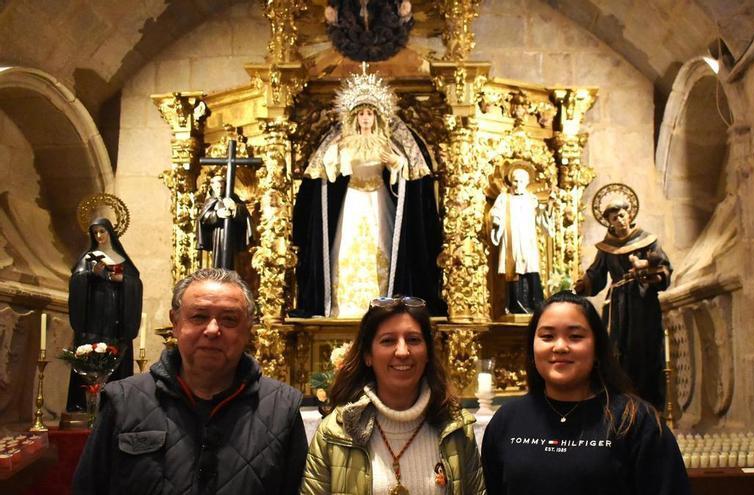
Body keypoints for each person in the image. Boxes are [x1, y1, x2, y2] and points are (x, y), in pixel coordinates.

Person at [73, 268, 308, 495]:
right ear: (175, 323)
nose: (213, 330)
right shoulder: (124, 401)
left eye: (229, 319)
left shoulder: (282, 408)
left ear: (248, 328)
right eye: (199, 317)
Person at [480, 291, 690, 495]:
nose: (560, 347)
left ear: (597, 348)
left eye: (575, 336)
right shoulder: (506, 421)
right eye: (547, 336)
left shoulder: (636, 421)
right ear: (532, 348)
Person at [292, 70, 444, 318]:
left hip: (378, 199)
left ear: (376, 117)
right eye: (361, 114)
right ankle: (346, 305)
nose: (365, 118)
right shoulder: (343, 142)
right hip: (353, 200)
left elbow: (405, 170)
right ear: (354, 117)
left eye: (369, 114)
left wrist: (397, 164)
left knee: (380, 245)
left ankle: (380, 301)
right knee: (347, 247)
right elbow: (328, 171)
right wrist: (334, 158)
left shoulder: (386, 143)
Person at [300, 297, 485, 494]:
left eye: (413, 340)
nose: (403, 352)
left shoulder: (456, 429)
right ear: (368, 355)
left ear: (428, 353)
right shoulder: (334, 433)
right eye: (388, 341)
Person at [574, 199, 672, 409]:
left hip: (643, 303)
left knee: (644, 348)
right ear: (609, 222)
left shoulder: (647, 240)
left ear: (630, 215)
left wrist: (653, 274)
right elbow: (597, 273)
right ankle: (620, 402)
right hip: (617, 305)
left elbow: (663, 267)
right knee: (617, 349)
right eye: (614, 217)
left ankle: (649, 403)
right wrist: (585, 284)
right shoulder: (607, 247)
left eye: (622, 215)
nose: (619, 220)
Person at [67, 217, 142, 412]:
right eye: (95, 233)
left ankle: (115, 408)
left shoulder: (121, 259)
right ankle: (86, 406)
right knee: (89, 360)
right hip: (93, 319)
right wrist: (90, 274)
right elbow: (76, 281)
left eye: (102, 231)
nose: (99, 236)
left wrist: (122, 280)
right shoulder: (88, 258)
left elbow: (135, 283)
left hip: (115, 320)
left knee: (116, 358)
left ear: (110, 232)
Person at [489, 166, 552, 314]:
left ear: (527, 182)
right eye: (515, 181)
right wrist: (496, 220)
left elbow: (541, 217)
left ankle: (536, 302)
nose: (518, 184)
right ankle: (514, 303)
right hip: (512, 239)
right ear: (511, 181)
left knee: (531, 267)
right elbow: (495, 213)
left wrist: (549, 206)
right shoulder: (504, 198)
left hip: (527, 239)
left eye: (521, 181)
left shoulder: (532, 199)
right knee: (513, 268)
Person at [198, 174, 254, 270]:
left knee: (232, 261)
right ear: (212, 187)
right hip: (217, 234)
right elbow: (203, 218)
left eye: (222, 188)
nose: (220, 190)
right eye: (217, 188)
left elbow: (244, 215)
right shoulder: (210, 200)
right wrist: (216, 214)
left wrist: (234, 207)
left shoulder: (233, 198)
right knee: (218, 260)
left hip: (232, 234)